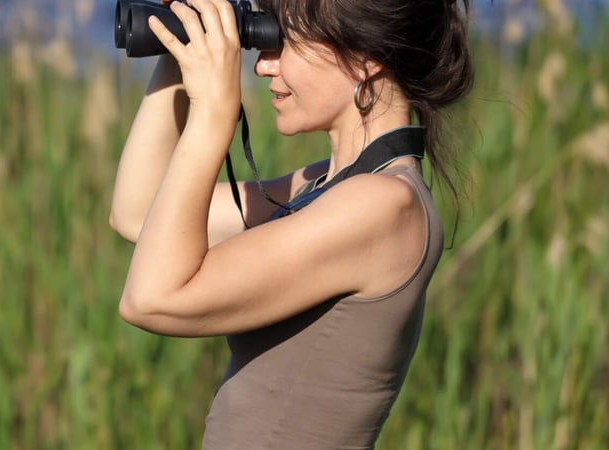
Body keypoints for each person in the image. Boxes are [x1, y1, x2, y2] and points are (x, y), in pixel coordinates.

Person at [108, 0, 474, 447]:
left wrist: (212, 115)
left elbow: (151, 299)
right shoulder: (326, 187)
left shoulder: (383, 206)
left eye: (286, 39)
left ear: (365, 60)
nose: (263, 64)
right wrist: (179, 42)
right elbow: (137, 212)